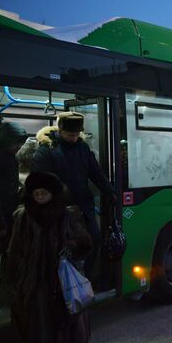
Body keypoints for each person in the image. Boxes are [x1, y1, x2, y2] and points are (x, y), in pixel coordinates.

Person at [7, 172, 92, 343]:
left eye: (43, 194)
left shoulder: (67, 215)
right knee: (39, 329)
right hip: (34, 284)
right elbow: (14, 251)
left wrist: (70, 247)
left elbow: (85, 243)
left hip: (62, 283)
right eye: (36, 194)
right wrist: (15, 281)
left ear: (53, 193)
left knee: (65, 326)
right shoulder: (22, 217)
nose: (39, 198)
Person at [31, 112, 114, 279]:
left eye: (77, 135)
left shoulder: (83, 148)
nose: (74, 138)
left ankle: (84, 278)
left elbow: (95, 172)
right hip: (58, 208)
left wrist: (109, 191)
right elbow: (40, 179)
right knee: (62, 246)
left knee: (93, 239)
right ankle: (61, 283)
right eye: (70, 135)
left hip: (83, 204)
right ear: (60, 131)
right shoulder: (46, 150)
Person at [0, 120, 27, 305]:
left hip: (6, 215)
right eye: (16, 143)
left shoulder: (8, 158)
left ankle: (5, 295)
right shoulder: (2, 160)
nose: (19, 147)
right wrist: (0, 222)